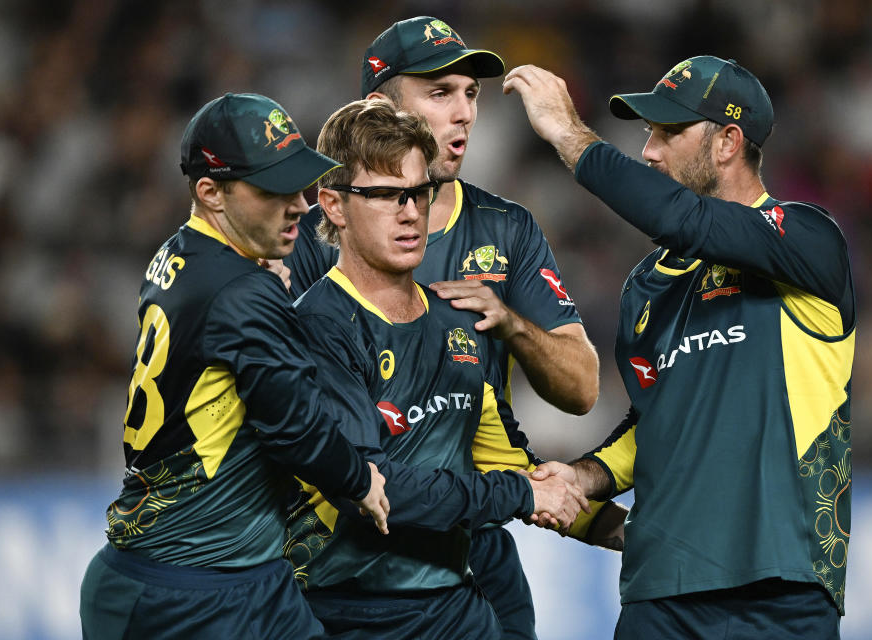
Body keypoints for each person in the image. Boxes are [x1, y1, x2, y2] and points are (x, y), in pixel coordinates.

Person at [285, 17, 624, 639]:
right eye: (440, 93)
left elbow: (578, 392)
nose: (465, 113)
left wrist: (513, 327)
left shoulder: (505, 227)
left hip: (478, 526)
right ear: (379, 108)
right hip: (357, 561)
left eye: (471, 93)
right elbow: (332, 447)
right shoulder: (315, 242)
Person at [506, 57, 855, 639]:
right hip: (659, 592)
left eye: (668, 132)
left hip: (781, 587)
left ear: (727, 142)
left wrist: (570, 134)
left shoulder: (809, 243)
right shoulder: (648, 284)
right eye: (647, 133)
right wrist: (581, 477)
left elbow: (683, 218)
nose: (649, 150)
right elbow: (653, 424)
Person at [78, 92, 391, 640]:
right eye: (273, 189)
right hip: (190, 592)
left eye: (299, 182)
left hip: (233, 577)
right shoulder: (243, 291)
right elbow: (298, 428)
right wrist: (359, 479)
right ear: (211, 193)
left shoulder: (180, 254)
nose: (298, 203)